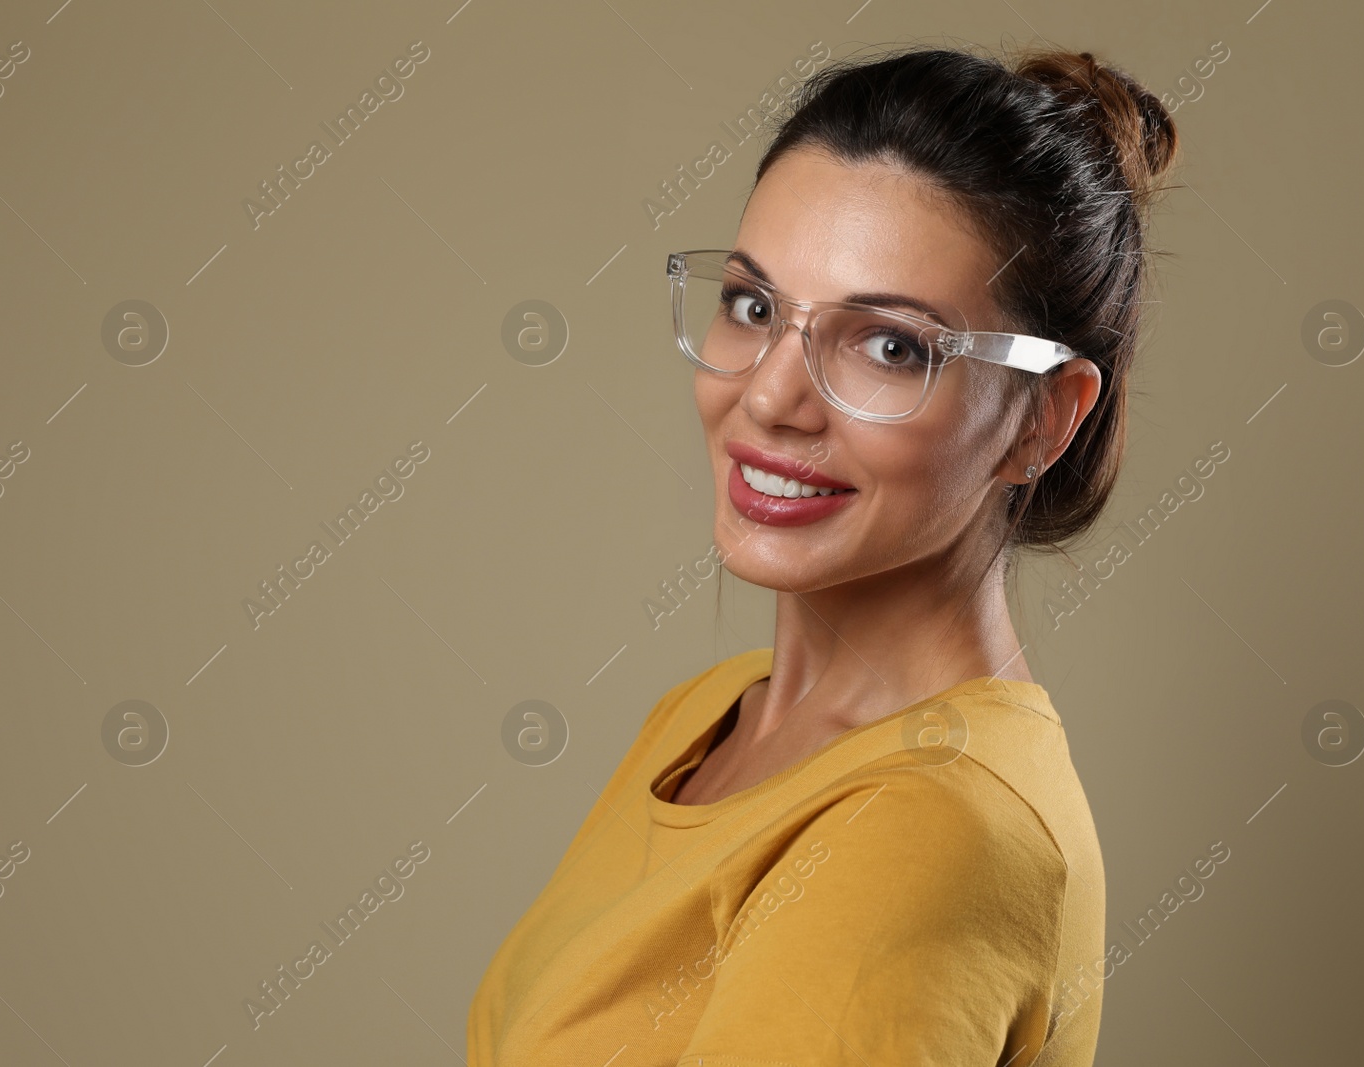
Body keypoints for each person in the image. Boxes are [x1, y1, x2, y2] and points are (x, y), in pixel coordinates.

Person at [468, 41, 1180, 1066]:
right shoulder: (710, 716)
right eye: (754, 307)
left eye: (890, 345)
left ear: (1041, 419)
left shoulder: (934, 825)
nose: (768, 396)